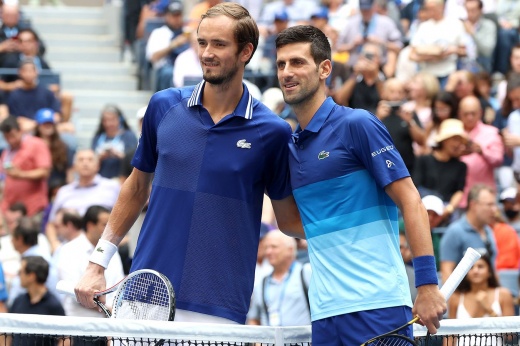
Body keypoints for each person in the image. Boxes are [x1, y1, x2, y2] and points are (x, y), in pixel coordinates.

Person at [74, 3, 303, 325]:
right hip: (145, 293)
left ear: (246, 52)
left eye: (219, 44)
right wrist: (97, 264)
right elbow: (136, 188)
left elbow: (288, 220)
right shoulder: (163, 106)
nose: (207, 53)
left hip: (219, 305)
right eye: (202, 42)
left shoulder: (274, 132)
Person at [275, 25, 445, 345]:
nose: (286, 72)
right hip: (325, 314)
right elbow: (291, 224)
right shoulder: (289, 148)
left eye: (297, 62)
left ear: (325, 68)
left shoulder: (358, 124)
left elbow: (411, 201)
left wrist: (427, 285)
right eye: (281, 64)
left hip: (379, 308)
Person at [56, 205, 124, 317]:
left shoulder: (113, 252)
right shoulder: (68, 250)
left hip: (110, 326)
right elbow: (74, 292)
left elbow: (119, 285)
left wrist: (114, 312)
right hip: (79, 326)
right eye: (105, 225)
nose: (110, 230)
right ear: (90, 226)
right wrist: (109, 310)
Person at [247, 230, 311, 326]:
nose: (268, 252)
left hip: (304, 340)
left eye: (274, 247)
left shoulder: (306, 273)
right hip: (270, 340)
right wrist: (258, 341)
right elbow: (253, 319)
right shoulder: (261, 283)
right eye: (266, 247)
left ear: (290, 250)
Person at [439, 184, 499, 284]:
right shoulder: (455, 231)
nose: (494, 210)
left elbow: (493, 270)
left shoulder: (488, 231)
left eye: (494, 205)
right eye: (489, 205)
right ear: (473, 205)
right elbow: (446, 273)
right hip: (463, 296)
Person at [448, 255, 514, 337]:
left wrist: (490, 310)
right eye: (471, 267)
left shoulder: (504, 294)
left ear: (489, 272)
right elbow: (450, 337)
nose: (475, 271)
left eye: (480, 266)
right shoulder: (456, 297)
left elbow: (510, 336)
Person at [0, 116, 52, 217]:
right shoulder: (7, 152)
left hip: (32, 206)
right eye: (7, 137)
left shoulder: (36, 144)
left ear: (21, 131)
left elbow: (45, 172)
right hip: (10, 208)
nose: (11, 140)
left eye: (12, 135)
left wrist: (21, 174)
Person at [8, 256, 65, 346]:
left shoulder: (54, 305)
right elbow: (7, 332)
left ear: (31, 276)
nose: (18, 275)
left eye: (21, 272)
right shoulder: (18, 301)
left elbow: (65, 338)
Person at [90, 105, 138, 179]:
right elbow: (91, 159)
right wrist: (100, 157)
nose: (109, 123)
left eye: (112, 120)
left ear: (120, 119)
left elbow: (134, 160)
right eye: (106, 120)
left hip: (123, 178)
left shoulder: (129, 136)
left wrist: (120, 155)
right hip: (101, 178)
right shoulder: (98, 137)